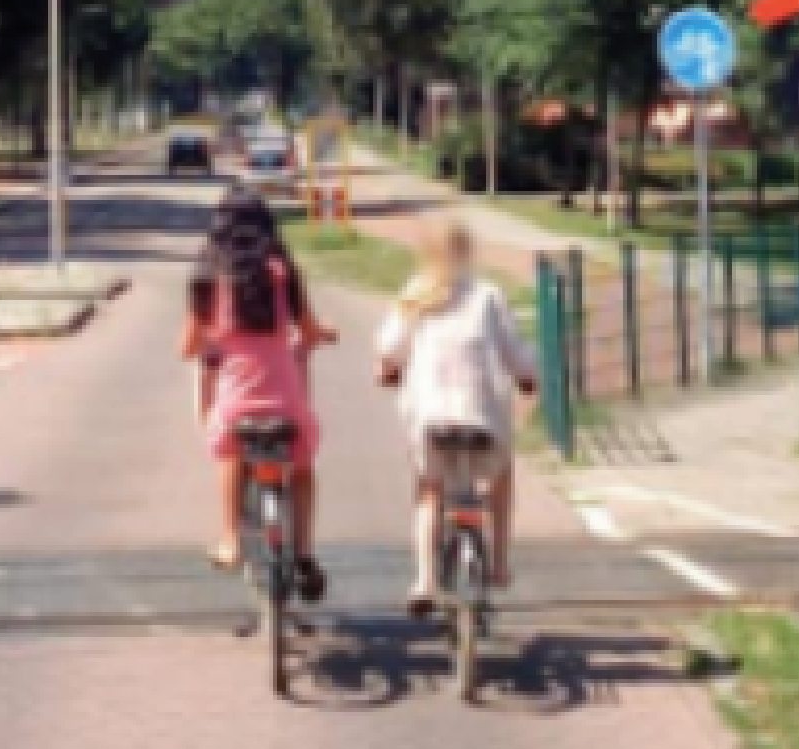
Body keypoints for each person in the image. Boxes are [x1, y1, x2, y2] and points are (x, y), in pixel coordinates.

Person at [371, 222, 536, 617]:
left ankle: (424, 580)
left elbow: (390, 346)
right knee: (501, 475)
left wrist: (388, 370)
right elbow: (515, 352)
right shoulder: (488, 295)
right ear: (467, 252)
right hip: (481, 417)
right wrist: (528, 377)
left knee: (429, 490)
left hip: (432, 419)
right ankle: (499, 564)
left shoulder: (416, 293)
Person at [182, 191, 330, 600]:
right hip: (285, 401)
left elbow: (188, 346)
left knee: (230, 452)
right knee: (302, 468)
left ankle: (231, 537)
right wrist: (319, 336)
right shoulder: (284, 274)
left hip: (237, 403)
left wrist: (214, 340)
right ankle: (304, 552)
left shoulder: (210, 279)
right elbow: (309, 329)